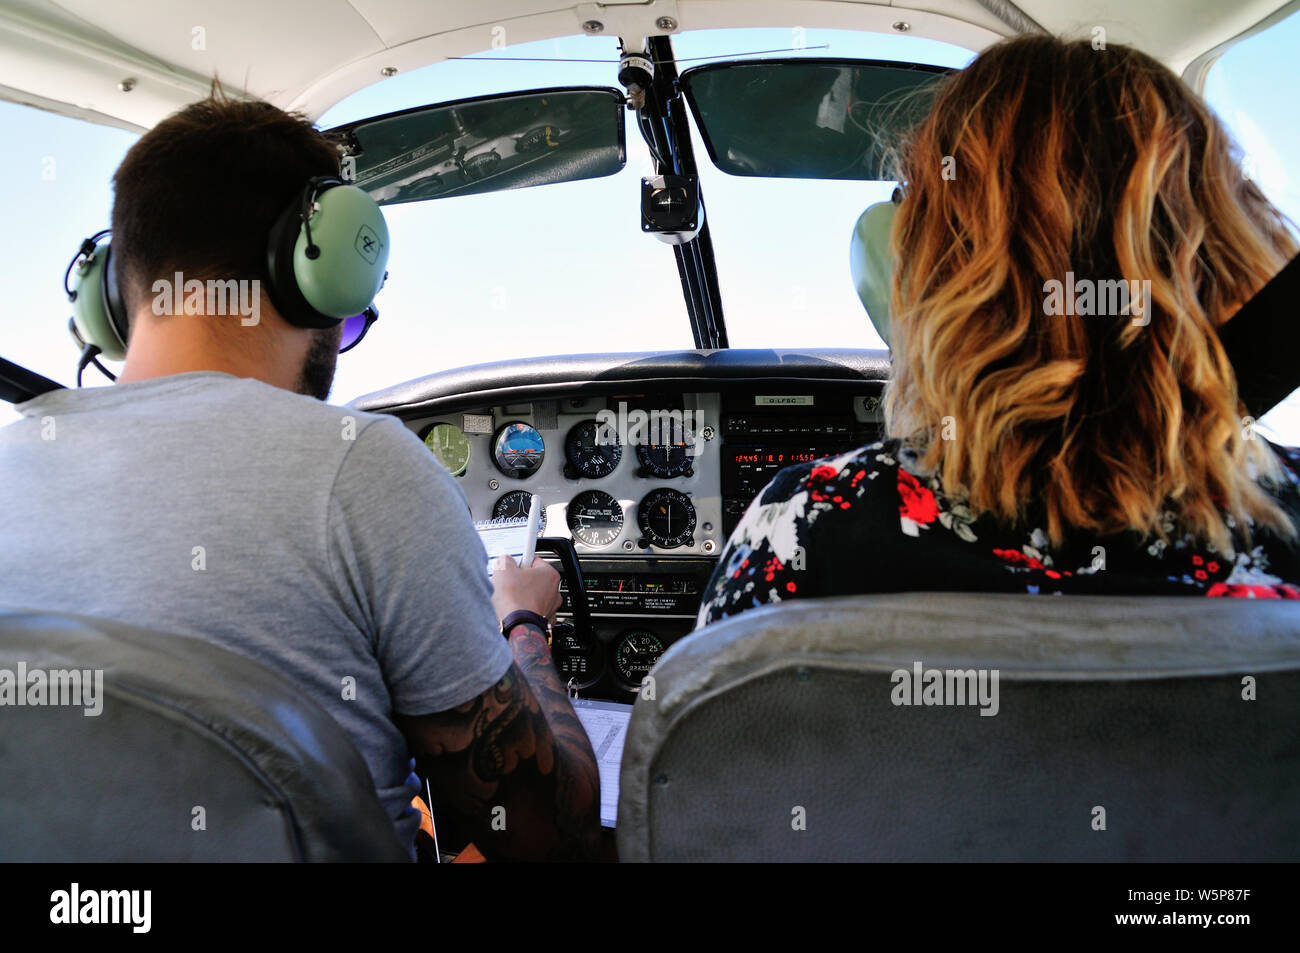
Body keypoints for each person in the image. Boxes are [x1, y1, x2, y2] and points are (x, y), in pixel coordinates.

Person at [0, 88, 602, 861]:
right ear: (324, 270)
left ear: (110, 295)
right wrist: (522, 622)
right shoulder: (364, 469)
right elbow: (543, 833)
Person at [698, 35, 1300, 626]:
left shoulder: (801, 529)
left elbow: (696, 714)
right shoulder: (1287, 524)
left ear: (928, 272)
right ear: (1228, 246)